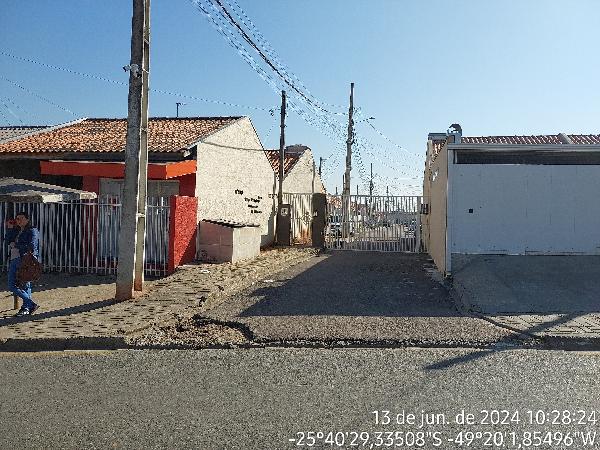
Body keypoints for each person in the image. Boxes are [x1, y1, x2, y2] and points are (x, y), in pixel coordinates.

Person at [4, 211, 40, 316]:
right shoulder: (16, 230)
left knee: (25, 284)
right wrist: (10, 228)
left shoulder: (32, 230)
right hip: (14, 259)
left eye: (21, 218)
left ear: (27, 219)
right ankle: (31, 304)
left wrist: (16, 245)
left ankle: (25, 308)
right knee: (11, 285)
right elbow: (7, 241)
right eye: (17, 219)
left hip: (25, 260)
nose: (19, 221)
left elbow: (32, 247)